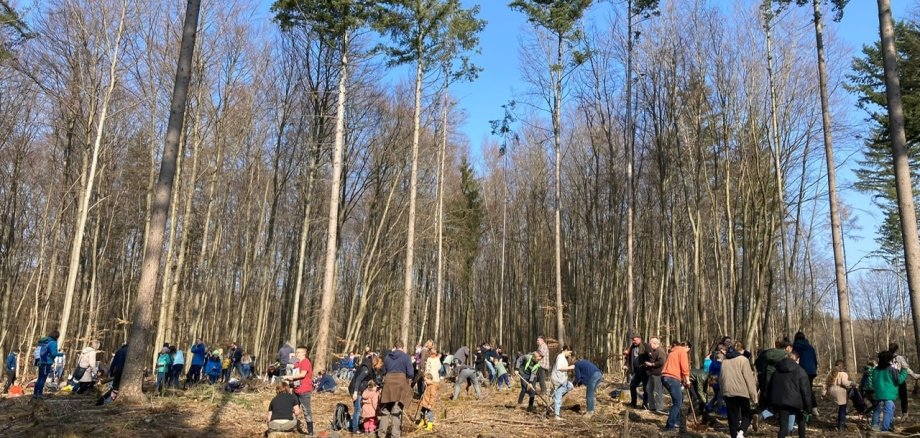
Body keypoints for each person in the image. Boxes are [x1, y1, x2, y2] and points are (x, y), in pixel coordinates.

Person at [769, 351, 811, 438]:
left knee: (783, 428)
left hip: (781, 401)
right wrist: (808, 408)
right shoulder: (800, 371)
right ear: (797, 359)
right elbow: (806, 391)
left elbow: (771, 386)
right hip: (797, 403)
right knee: (801, 420)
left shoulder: (777, 370)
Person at [720, 342, 757, 438]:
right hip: (742, 392)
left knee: (732, 417)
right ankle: (741, 432)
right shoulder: (743, 360)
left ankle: (734, 435)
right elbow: (749, 378)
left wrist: (722, 391)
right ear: (742, 350)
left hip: (728, 392)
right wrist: (754, 395)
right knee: (746, 414)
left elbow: (721, 378)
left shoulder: (725, 361)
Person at [379, 341, 414, 438]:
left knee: (385, 410)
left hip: (388, 385)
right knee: (396, 410)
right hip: (400, 385)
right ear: (402, 347)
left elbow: (383, 371)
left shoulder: (387, 357)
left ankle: (381, 434)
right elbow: (410, 373)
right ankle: (395, 435)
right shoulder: (406, 357)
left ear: (394, 347)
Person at [754, 339, 792, 421]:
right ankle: (768, 416)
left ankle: (762, 414)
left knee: (765, 397)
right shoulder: (785, 355)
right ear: (788, 347)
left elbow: (756, 362)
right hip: (775, 380)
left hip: (764, 378)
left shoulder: (768, 352)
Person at [872, 350, 909, 432]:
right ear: (889, 359)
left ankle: (874, 427)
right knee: (888, 411)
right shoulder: (892, 370)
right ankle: (886, 429)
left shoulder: (875, 370)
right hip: (889, 395)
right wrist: (904, 372)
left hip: (878, 393)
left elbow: (873, 382)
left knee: (876, 410)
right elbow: (899, 380)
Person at [283, 346, 315, 436]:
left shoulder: (305, 362)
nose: (296, 353)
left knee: (306, 411)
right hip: (295, 390)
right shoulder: (297, 363)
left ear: (304, 353)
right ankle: (291, 427)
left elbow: (302, 374)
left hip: (304, 390)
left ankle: (310, 432)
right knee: (293, 409)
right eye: (296, 352)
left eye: (299, 352)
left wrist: (290, 377)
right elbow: (291, 370)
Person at [661, 341, 691, 432]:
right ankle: (670, 426)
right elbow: (684, 367)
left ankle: (676, 422)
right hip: (672, 378)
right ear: (686, 347)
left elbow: (677, 367)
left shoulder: (673, 351)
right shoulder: (682, 351)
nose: (688, 351)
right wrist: (687, 380)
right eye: (688, 349)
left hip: (666, 377)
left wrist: (683, 380)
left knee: (679, 400)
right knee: (677, 403)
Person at [349, 355, 384, 433]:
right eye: (379, 366)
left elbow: (374, 379)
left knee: (360, 408)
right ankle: (355, 428)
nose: (380, 368)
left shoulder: (372, 369)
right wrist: (355, 393)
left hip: (361, 389)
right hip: (356, 389)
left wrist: (380, 385)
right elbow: (358, 380)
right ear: (376, 363)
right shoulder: (366, 369)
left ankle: (359, 425)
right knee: (357, 409)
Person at [889, 343, 920, 418]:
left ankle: (891, 415)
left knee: (890, 398)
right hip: (900, 379)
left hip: (890, 380)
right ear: (896, 349)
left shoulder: (886, 357)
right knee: (903, 397)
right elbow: (906, 368)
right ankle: (904, 414)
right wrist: (913, 375)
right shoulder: (899, 358)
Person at [791, 332, 818, 416]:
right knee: (809, 389)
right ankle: (814, 408)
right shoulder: (810, 347)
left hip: (801, 370)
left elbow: (793, 359)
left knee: (799, 389)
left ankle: (804, 409)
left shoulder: (795, 347)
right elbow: (815, 360)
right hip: (811, 371)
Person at [822, 359, 851, 431]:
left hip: (832, 391)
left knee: (840, 408)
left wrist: (823, 393)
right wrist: (852, 383)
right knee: (842, 409)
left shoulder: (831, 373)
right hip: (841, 392)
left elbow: (825, 384)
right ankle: (841, 425)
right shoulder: (843, 374)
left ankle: (839, 422)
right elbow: (844, 383)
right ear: (842, 366)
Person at [33, 330, 64, 399]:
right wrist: (61, 354)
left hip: (40, 361)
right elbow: (53, 354)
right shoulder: (53, 343)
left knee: (39, 378)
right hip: (46, 362)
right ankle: (39, 395)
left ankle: (35, 394)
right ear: (57, 336)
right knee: (43, 379)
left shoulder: (45, 341)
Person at [551, 345, 575, 420]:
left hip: (563, 379)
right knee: (558, 396)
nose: (570, 354)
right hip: (558, 380)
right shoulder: (560, 357)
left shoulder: (563, 358)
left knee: (570, 386)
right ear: (565, 350)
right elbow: (559, 368)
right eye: (569, 352)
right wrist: (570, 367)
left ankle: (555, 395)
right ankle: (556, 415)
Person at [626, 336, 650, 408]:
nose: (633, 341)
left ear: (639, 339)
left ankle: (645, 404)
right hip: (636, 371)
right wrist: (627, 365)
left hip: (645, 371)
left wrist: (648, 364)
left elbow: (651, 357)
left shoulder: (646, 346)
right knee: (632, 386)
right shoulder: (632, 347)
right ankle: (633, 403)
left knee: (646, 388)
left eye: (635, 340)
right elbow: (629, 358)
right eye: (633, 340)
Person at [644, 337, 666, 414]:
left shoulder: (660, 351)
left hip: (658, 373)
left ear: (655, 343)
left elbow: (661, 362)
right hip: (651, 373)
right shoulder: (653, 351)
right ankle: (652, 406)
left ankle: (659, 407)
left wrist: (652, 364)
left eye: (651, 344)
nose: (650, 345)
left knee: (658, 391)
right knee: (648, 389)